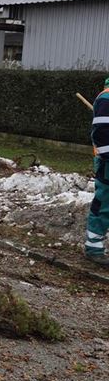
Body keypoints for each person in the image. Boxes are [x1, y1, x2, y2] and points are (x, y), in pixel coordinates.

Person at [85, 77, 109, 268]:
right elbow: (101, 133)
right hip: (107, 163)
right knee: (104, 204)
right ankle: (94, 248)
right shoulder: (106, 99)